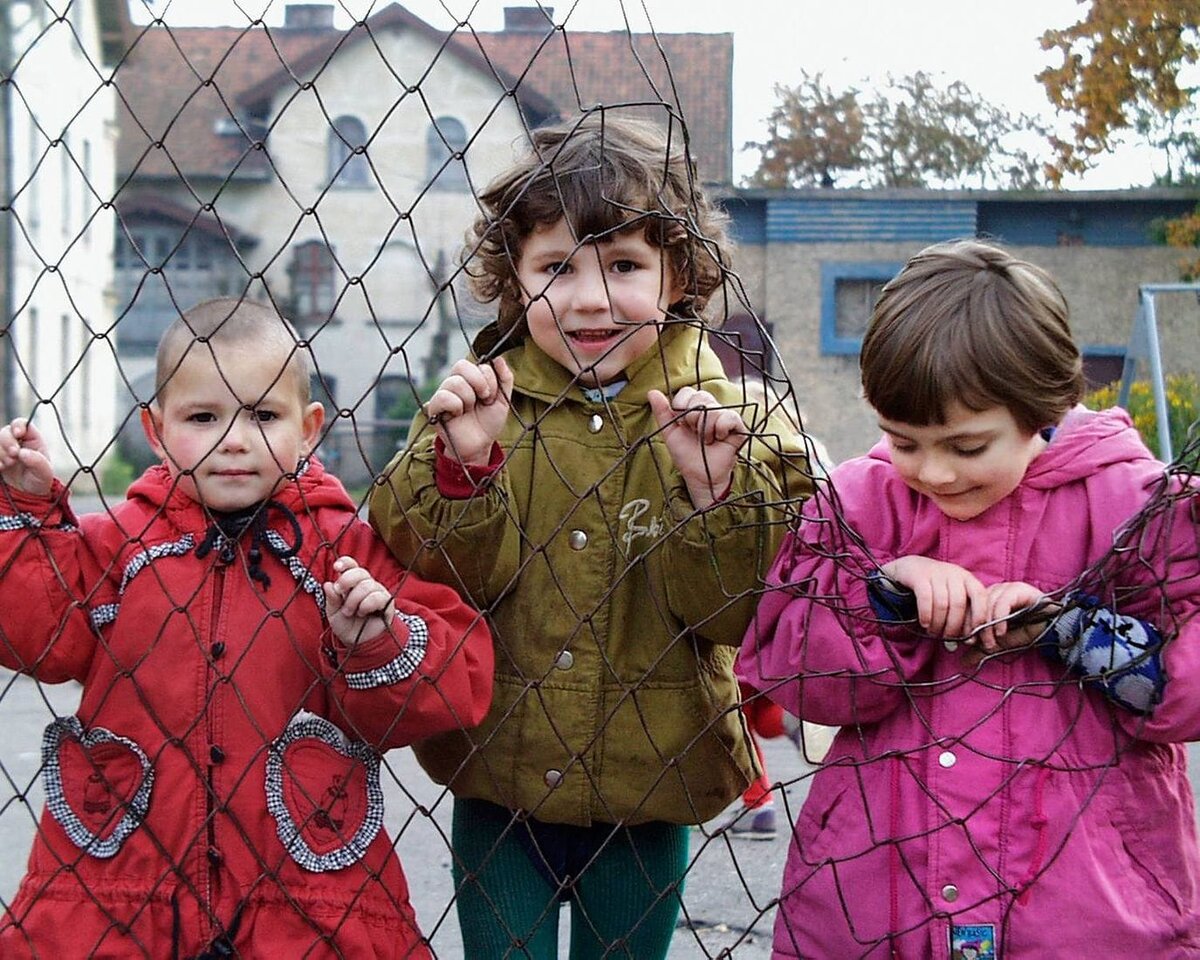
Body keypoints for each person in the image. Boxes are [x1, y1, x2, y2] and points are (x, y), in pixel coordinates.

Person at [369, 112, 811, 958]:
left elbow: (739, 616)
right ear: (513, 279)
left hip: (649, 788)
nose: (591, 298)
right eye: (555, 267)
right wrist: (468, 468)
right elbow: (434, 572)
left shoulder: (737, 424)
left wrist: (713, 494)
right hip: (497, 778)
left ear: (678, 274)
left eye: (624, 265)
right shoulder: (477, 405)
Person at [737, 239, 1200, 957]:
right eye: (904, 441)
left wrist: (1072, 630)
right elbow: (800, 675)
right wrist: (887, 595)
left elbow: (1188, 685)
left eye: (967, 446)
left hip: (1084, 908)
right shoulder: (859, 501)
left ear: (1044, 406)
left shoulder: (1135, 505)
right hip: (879, 899)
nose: (935, 472)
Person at [0, 297, 494, 958]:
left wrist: (373, 637)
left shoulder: (341, 550)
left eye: (263, 415)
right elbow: (37, 635)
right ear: (155, 429)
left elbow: (455, 678)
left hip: (305, 886)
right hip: (123, 884)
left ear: (310, 428)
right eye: (203, 417)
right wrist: (26, 509)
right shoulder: (119, 544)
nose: (234, 440)